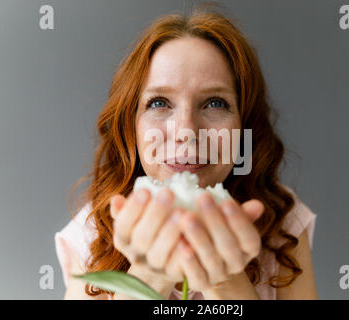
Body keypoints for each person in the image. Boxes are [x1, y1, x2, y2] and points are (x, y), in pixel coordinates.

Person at [55, 7, 318, 300]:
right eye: (159, 103)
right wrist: (149, 277)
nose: (187, 131)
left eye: (215, 103)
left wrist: (226, 282)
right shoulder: (93, 233)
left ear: (245, 127)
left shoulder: (282, 224)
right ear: (132, 128)